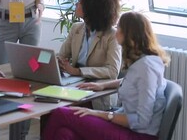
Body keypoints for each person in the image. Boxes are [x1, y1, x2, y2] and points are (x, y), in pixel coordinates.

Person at [42, 11, 170, 140]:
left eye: (119, 28)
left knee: (61, 113)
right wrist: (103, 85)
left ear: (130, 35)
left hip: (138, 134)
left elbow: (142, 121)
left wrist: (102, 114)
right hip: (127, 127)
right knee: (64, 134)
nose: (116, 31)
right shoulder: (143, 62)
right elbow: (130, 82)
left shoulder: (146, 68)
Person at [57, 0, 122, 110]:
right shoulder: (76, 28)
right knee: (52, 107)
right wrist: (57, 63)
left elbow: (112, 71)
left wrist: (77, 71)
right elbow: (61, 55)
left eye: (80, 2)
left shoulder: (112, 36)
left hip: (96, 96)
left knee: (59, 111)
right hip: (73, 87)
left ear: (91, 8)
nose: (76, 5)